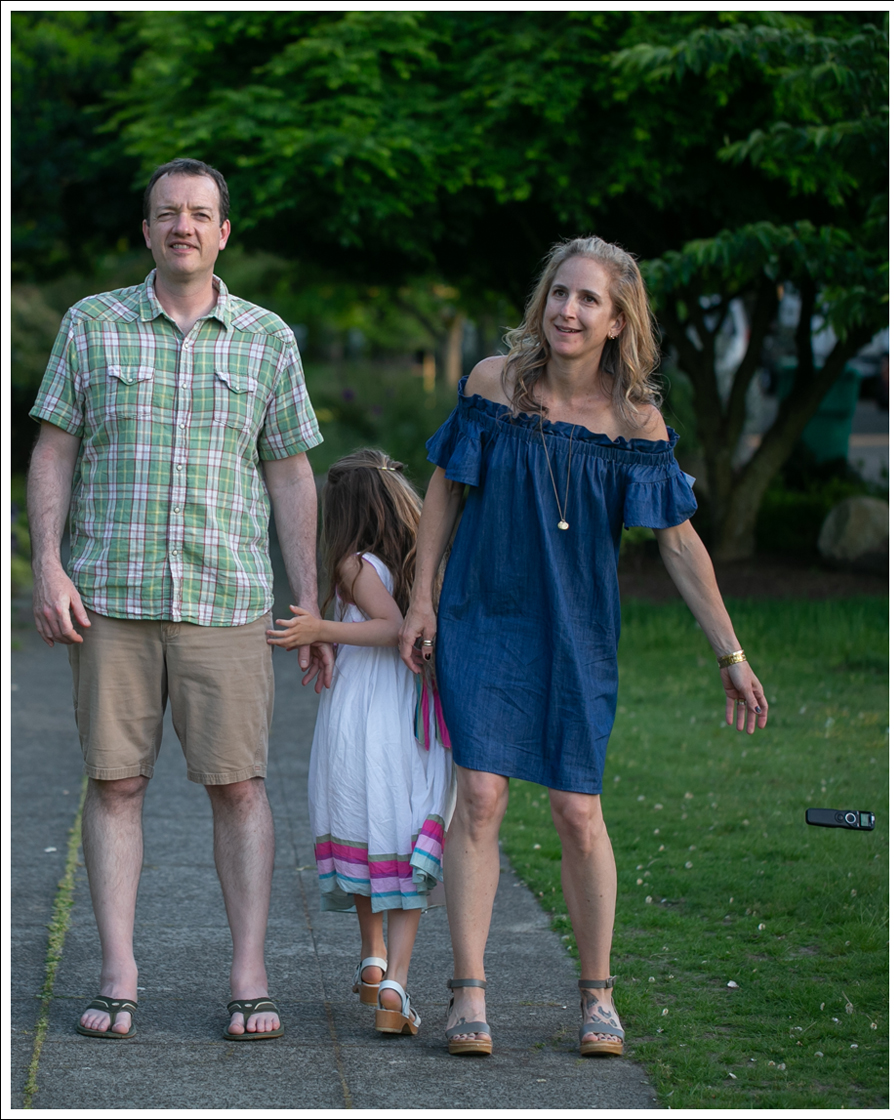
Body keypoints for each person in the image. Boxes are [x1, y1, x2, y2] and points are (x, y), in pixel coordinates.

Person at [399, 236, 768, 1058]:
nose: (568, 310)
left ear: (617, 321)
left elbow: (679, 544)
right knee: (480, 797)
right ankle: (468, 992)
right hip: (483, 616)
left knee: (577, 811)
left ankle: (598, 996)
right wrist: (421, 600)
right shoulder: (493, 385)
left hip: (578, 632)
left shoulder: (635, 421)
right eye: (560, 293)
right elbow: (444, 491)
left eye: (588, 299)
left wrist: (732, 655)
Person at [27, 157, 333, 1042]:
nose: (183, 226)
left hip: (226, 599)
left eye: (200, 214)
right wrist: (46, 566)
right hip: (111, 598)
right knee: (115, 782)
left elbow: (290, 474)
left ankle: (250, 975)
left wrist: (309, 601)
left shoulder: (267, 338)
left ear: (223, 232)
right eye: (168, 213)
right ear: (147, 229)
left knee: (240, 786)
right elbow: (53, 452)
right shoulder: (92, 325)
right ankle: (118, 971)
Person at [267, 449, 455, 1036]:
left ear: (345, 511)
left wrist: (319, 627)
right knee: (395, 837)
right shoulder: (419, 566)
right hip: (399, 708)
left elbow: (391, 628)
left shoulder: (354, 564)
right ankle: (388, 976)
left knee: (371, 827)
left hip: (370, 711)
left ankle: (378, 963)